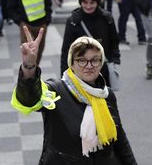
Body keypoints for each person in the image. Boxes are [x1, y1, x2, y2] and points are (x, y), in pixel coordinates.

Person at [11, 29, 137, 164]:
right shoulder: (56, 90)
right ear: (72, 64)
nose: (89, 66)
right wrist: (29, 66)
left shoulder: (106, 94)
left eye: (95, 60)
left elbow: (120, 140)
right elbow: (29, 99)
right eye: (81, 60)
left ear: (101, 63)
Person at [60, 0, 120, 86]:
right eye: (85, 2)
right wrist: (64, 74)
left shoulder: (107, 19)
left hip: (101, 67)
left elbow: (114, 41)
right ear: (80, 2)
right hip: (80, 68)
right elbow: (67, 49)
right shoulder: (73, 21)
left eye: (92, 3)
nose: (88, 6)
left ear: (98, 2)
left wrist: (114, 59)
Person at [7, 0, 52, 64]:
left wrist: (47, 20)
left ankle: (35, 69)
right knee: (28, 51)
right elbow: (10, 7)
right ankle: (29, 71)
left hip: (42, 24)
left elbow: (48, 2)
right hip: (26, 25)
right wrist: (19, 22)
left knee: (39, 50)